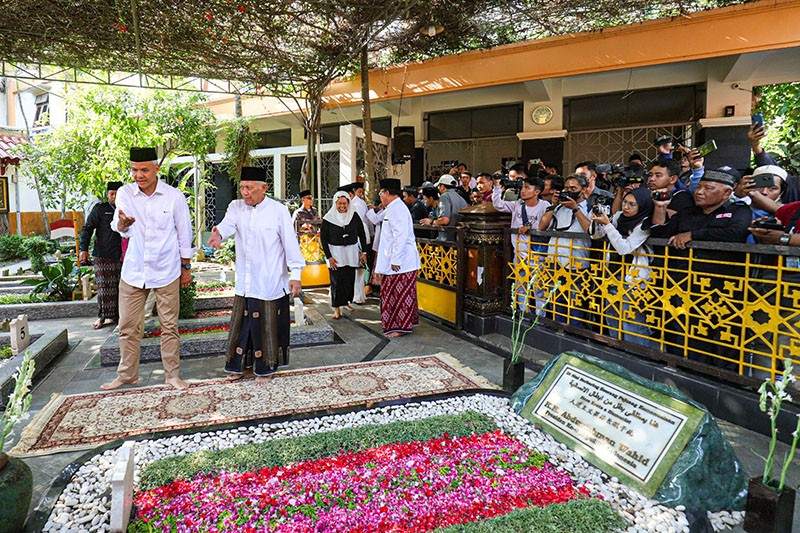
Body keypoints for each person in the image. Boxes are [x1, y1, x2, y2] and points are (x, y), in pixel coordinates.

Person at [102, 147, 194, 391]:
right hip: (134, 270)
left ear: (157, 169)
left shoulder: (174, 196)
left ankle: (172, 375)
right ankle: (127, 375)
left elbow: (184, 233)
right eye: (134, 170)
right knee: (127, 326)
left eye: (144, 170)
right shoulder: (125, 193)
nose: (138, 175)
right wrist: (123, 224)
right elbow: (119, 225)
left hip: (166, 269)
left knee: (169, 326)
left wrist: (186, 267)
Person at [208, 167, 305, 381]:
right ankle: (238, 367)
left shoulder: (278, 211)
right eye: (242, 187)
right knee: (241, 325)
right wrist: (219, 234)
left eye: (249, 188)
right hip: (246, 280)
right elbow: (227, 225)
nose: (245, 192)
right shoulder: (236, 207)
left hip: (269, 279)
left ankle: (266, 368)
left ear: (264, 188)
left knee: (267, 326)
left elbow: (290, 243)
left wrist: (296, 274)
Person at [591, 187, 655, 347]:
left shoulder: (645, 223)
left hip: (633, 279)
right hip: (612, 274)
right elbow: (597, 235)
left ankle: (637, 356)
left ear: (642, 206)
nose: (626, 207)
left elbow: (625, 248)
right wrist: (597, 221)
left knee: (631, 321)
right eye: (625, 202)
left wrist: (607, 225)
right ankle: (617, 352)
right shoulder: (619, 216)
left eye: (632, 204)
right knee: (612, 316)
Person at [375, 178, 421, 338]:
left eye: (381, 193)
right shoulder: (393, 208)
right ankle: (401, 324)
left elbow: (400, 236)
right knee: (394, 294)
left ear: (387, 192)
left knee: (399, 296)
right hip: (395, 261)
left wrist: (396, 259)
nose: (380, 196)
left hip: (401, 263)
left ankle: (400, 327)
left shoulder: (398, 209)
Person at [79, 181, 123, 330]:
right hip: (103, 255)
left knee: (122, 287)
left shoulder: (127, 208)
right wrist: (83, 249)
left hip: (123, 255)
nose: (114, 197)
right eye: (112, 194)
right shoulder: (100, 209)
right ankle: (102, 316)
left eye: (117, 194)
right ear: (107, 194)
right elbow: (87, 229)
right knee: (104, 287)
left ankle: (120, 316)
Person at [320, 191, 368, 319]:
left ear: (348, 203)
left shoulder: (354, 216)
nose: (342, 206)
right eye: (340, 203)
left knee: (348, 279)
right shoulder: (328, 218)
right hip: (335, 254)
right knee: (336, 281)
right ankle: (336, 309)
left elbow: (362, 234)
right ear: (335, 203)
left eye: (345, 203)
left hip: (351, 253)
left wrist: (364, 252)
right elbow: (323, 239)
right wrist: (329, 257)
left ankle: (346, 302)